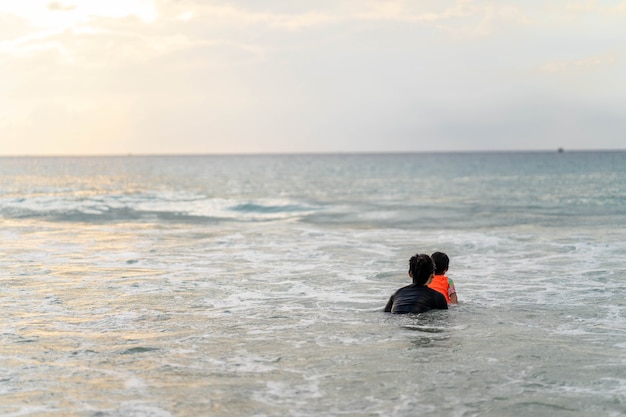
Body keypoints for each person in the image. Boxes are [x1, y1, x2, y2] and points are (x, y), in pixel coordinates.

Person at [384, 253, 448, 314]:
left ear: (410, 274)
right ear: (433, 275)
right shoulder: (437, 297)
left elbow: (386, 313)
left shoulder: (397, 294)